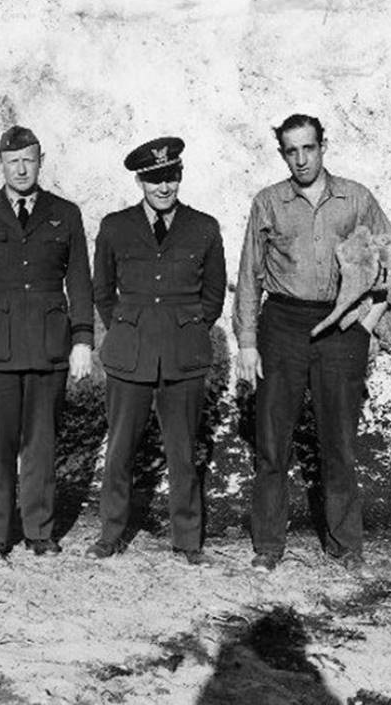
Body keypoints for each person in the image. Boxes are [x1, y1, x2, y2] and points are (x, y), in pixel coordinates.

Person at [233, 113, 391, 574]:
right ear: (282, 155)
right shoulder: (268, 202)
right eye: (291, 151)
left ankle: (344, 544)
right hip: (283, 324)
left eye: (308, 148)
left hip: (340, 327)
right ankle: (268, 546)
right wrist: (248, 342)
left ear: (322, 146)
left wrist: (368, 321)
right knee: (273, 440)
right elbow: (249, 276)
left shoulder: (356, 198)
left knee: (338, 440)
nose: (301, 159)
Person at [0, 126, 93, 558]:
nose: (21, 168)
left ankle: (39, 532)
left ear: (41, 160)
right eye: (13, 161)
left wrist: (83, 339)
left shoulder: (64, 213)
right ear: (1, 164)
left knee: (41, 445)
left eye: (28, 160)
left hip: (49, 347)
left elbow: (79, 281)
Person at [87, 137, 227, 566]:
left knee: (183, 451)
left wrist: (185, 328)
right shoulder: (115, 226)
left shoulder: (204, 227)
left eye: (170, 177)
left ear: (180, 176)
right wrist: (128, 327)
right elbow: (102, 291)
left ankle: (187, 542)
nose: (163, 187)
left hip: (183, 356)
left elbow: (213, 295)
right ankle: (110, 534)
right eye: (154, 179)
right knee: (120, 449)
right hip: (130, 353)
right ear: (140, 180)